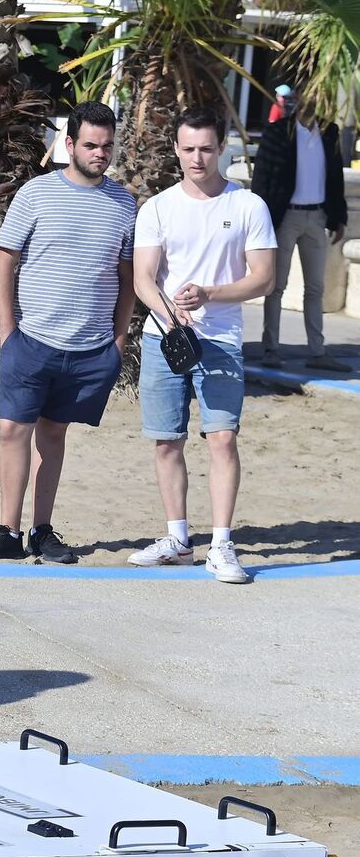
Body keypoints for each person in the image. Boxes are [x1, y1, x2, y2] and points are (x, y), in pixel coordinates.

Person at [0, 102, 136, 565]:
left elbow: (127, 278)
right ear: (70, 144)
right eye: (92, 144)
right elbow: (4, 259)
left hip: (89, 349)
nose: (101, 153)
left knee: (54, 436)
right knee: (12, 431)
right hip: (31, 341)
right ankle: (6, 531)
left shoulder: (124, 204)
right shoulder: (36, 194)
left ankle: (41, 531)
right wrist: (7, 331)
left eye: (108, 146)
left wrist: (117, 343)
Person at [129, 106, 275, 584]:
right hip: (164, 338)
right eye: (188, 148)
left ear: (222, 149)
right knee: (167, 440)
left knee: (222, 437)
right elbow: (143, 279)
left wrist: (210, 293)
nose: (197, 158)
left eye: (206, 149)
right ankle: (177, 539)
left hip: (222, 339)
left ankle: (221, 544)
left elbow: (263, 280)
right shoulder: (158, 207)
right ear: (176, 149)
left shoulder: (248, 205)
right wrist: (171, 316)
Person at [251, 90, 351, 372]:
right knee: (276, 286)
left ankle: (317, 352)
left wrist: (339, 216)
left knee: (315, 288)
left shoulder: (329, 132)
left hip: (317, 217)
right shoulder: (278, 132)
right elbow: (262, 176)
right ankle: (271, 348)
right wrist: (260, 217)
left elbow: (335, 177)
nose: (312, 101)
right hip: (285, 217)